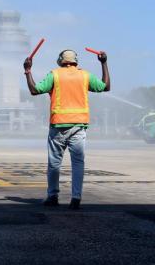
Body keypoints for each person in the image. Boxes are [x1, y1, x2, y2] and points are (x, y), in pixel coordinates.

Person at [23, 49, 110, 210]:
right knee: (78, 163)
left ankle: (53, 196)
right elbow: (105, 87)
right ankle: (76, 197)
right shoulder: (85, 75)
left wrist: (28, 71)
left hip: (58, 126)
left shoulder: (54, 75)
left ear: (60, 60)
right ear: (76, 61)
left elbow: (35, 90)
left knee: (54, 164)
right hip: (79, 126)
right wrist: (103, 63)